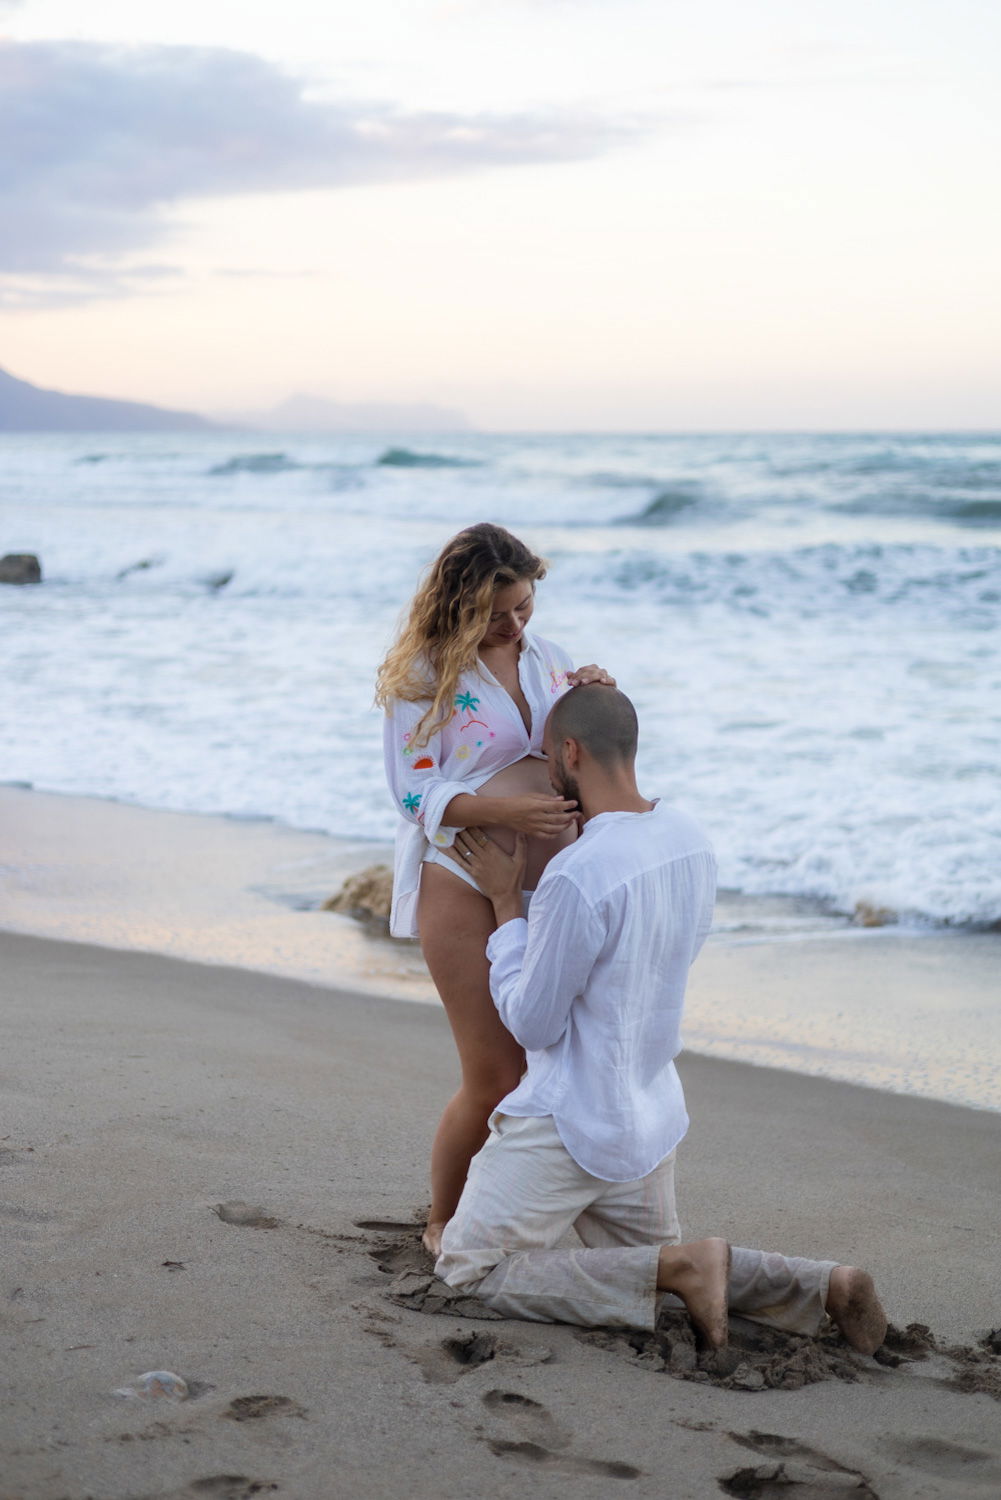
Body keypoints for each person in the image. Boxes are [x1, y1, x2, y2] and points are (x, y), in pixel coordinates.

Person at [434, 684, 888, 1353]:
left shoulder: (575, 875)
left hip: (566, 1123)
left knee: (464, 1275)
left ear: (568, 752)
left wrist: (506, 909)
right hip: (646, 1124)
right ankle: (819, 1285)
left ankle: (680, 1264)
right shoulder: (690, 840)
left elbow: (533, 1025)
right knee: (658, 1285)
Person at [376, 524, 615, 1256]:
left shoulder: (550, 660)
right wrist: (503, 812)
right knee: (495, 1074)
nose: (514, 625)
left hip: (547, 885)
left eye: (523, 605)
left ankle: (517, 1210)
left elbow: (581, 761)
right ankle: (442, 1220)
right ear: (458, 606)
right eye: (496, 613)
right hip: (460, 876)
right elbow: (412, 795)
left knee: (552, 1066)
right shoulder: (422, 675)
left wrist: (597, 701)